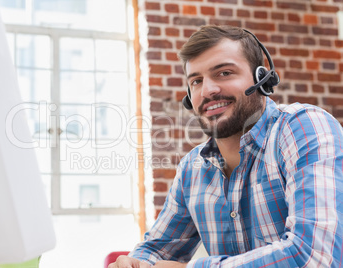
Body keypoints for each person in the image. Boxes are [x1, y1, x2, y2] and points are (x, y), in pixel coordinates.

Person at [109, 25, 343, 267]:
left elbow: (316, 257)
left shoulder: (303, 127)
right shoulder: (192, 168)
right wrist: (135, 263)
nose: (208, 90)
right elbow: (156, 252)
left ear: (261, 78)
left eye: (224, 73)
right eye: (197, 81)